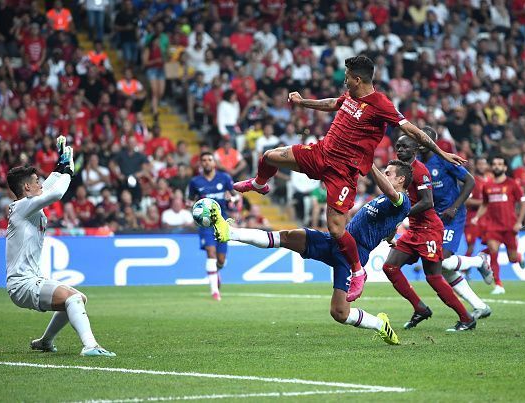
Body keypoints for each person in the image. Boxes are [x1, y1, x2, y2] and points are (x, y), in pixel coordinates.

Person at [233, 55, 466, 303]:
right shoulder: (351, 96)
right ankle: (259, 184)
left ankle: (357, 270)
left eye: (346, 77)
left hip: (342, 172)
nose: (344, 80)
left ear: (357, 79)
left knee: (335, 229)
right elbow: (334, 103)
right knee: (269, 156)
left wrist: (441, 152)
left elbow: (412, 130)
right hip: (321, 153)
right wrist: (303, 103)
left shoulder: (381, 104)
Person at [213, 161, 414, 345]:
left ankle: (380, 324)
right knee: (287, 236)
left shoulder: (402, 200)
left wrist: (369, 164)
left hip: (352, 255)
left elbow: (393, 202)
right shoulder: (386, 200)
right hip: (337, 240)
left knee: (339, 312)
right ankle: (229, 232)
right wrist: (390, 238)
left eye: (388, 173)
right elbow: (391, 224)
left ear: (401, 179)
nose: (384, 175)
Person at [5, 136, 115, 357]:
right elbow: (55, 192)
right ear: (27, 187)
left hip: (31, 279)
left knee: (79, 298)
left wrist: (61, 164)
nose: (40, 184)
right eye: (36, 181)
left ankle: (45, 342)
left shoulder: (27, 205)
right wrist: (68, 173)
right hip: (22, 283)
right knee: (72, 299)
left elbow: (48, 186)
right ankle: (91, 346)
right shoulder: (22, 207)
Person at [385, 135, 476, 332]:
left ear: (415, 150)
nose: (400, 149)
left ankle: (466, 318)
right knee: (390, 267)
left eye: (404, 147)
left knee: (433, 277)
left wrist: (403, 214)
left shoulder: (420, 171)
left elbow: (428, 202)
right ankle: (420, 308)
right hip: (415, 229)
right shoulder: (399, 171)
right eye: (398, 146)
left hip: (429, 230)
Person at [419, 127, 493, 320]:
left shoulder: (443, 160)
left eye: (424, 138)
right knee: (441, 267)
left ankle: (479, 261)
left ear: (431, 142)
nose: (419, 140)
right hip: (433, 218)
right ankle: (480, 305)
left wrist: (454, 207)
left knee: (441, 259)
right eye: (417, 136)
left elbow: (469, 181)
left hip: (452, 216)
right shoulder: (417, 162)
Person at [471, 156, 525, 295]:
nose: (497, 166)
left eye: (500, 164)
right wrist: (477, 217)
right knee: (493, 251)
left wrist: (519, 222)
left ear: (505, 168)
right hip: (493, 226)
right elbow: (485, 204)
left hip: (509, 226)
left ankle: (519, 257)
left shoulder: (512, 184)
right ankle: (498, 285)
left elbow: (524, 203)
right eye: (494, 164)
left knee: (512, 258)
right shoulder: (487, 186)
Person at [187, 152, 234, 301]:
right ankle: (215, 291)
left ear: (214, 163)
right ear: (201, 164)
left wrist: (232, 199)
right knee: (211, 253)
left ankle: (216, 272)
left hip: (222, 222)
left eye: (209, 160)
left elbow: (236, 197)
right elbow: (190, 201)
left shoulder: (225, 178)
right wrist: (193, 209)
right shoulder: (195, 182)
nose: (207, 162)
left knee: (221, 260)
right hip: (206, 224)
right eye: (204, 160)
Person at [464, 157, 492, 257]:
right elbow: (467, 201)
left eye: (483, 164)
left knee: (493, 243)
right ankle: (464, 271)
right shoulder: (472, 180)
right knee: (470, 247)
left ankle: (482, 257)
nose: (481, 166)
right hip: (473, 217)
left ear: (487, 166)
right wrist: (484, 202)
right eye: (479, 164)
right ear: (476, 166)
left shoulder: (491, 180)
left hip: (488, 217)